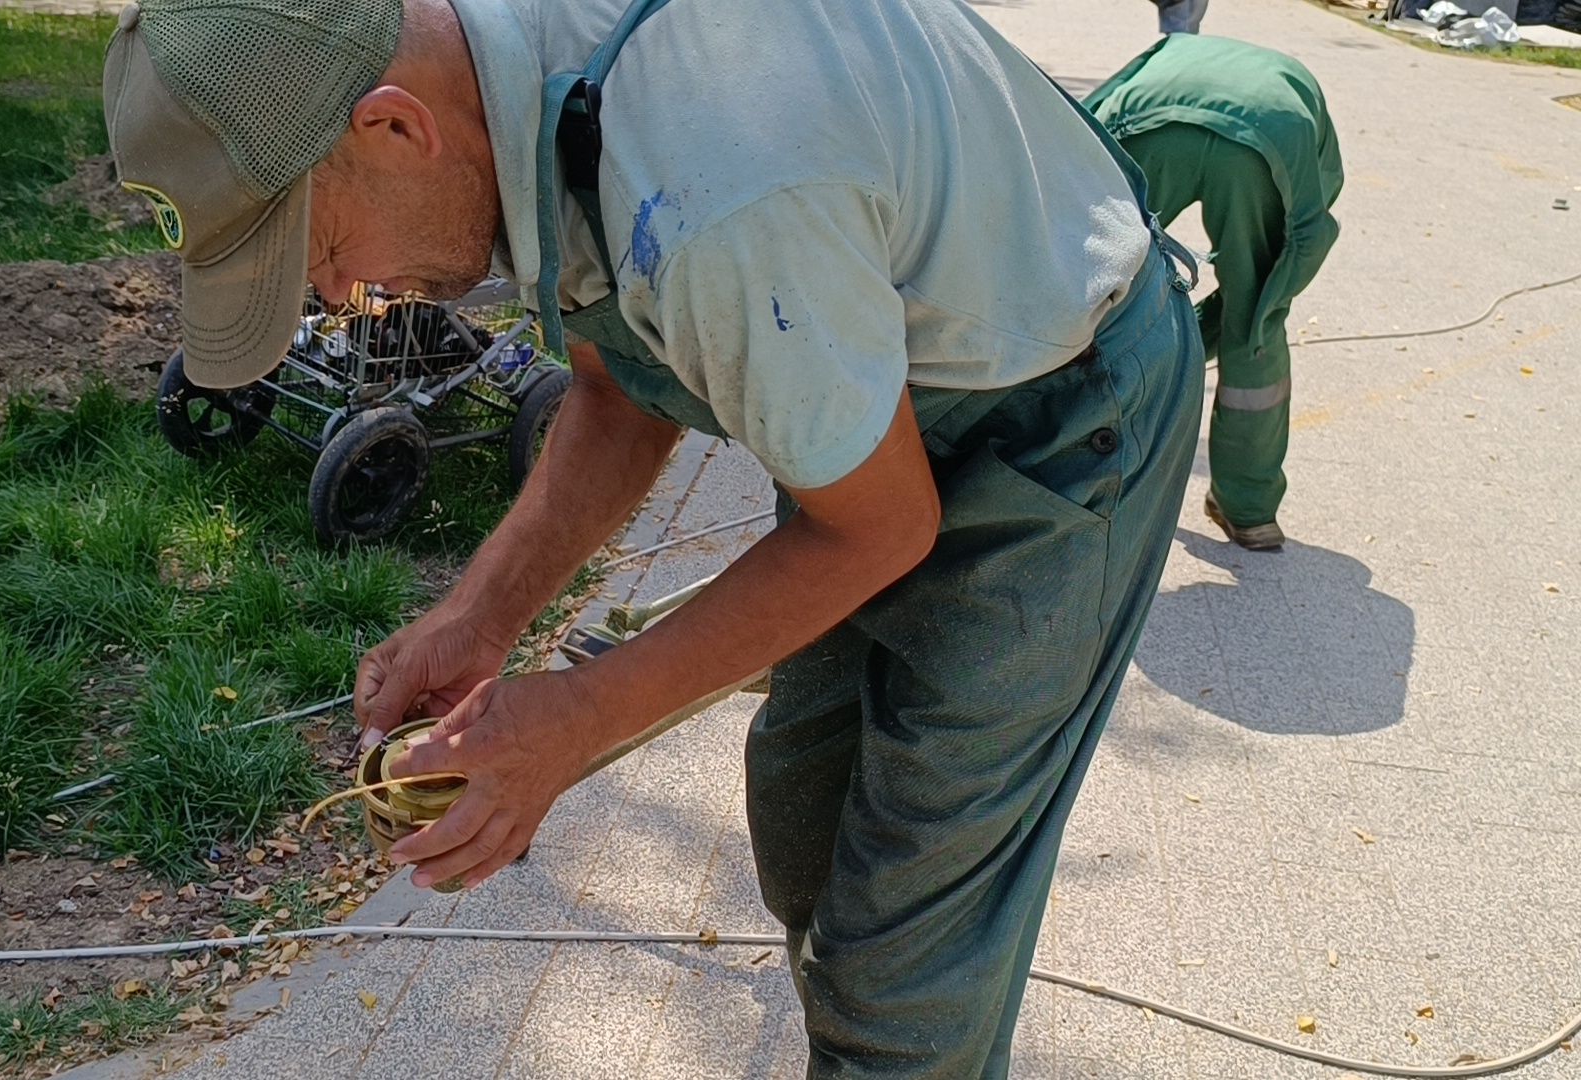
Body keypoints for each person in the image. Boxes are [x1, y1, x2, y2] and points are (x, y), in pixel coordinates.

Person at [103, 0, 1204, 1074]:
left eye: (324, 248)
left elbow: (878, 526)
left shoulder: (715, 195)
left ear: (396, 126)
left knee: (908, 963)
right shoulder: (523, 84)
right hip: (884, 389)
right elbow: (622, 386)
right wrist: (481, 616)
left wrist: (577, 721)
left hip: (1059, 406)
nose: (346, 299)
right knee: (807, 817)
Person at [1085, 35, 1344, 550]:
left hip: (1149, 126)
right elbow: (1309, 229)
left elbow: (1080, 126)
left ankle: (1066, 479)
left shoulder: (1166, 51)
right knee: (1255, 327)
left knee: (1097, 303)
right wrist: (1251, 311)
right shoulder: (1301, 105)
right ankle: (1249, 512)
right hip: (1263, 146)